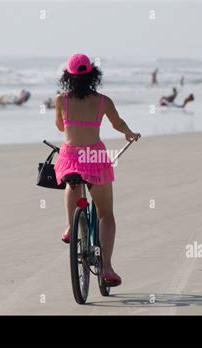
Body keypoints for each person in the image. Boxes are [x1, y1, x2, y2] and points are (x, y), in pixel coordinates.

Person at [54, 54, 140, 287]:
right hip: (94, 158)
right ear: (93, 75)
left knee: (72, 183)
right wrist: (129, 134)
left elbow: (60, 126)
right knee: (106, 215)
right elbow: (118, 123)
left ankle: (71, 226)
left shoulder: (61, 100)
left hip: (70, 157)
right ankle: (107, 268)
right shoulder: (103, 101)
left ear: (68, 77)